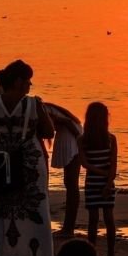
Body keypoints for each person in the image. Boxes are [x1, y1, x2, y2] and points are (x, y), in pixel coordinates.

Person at [0, 59, 55, 256]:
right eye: (27, 81)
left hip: (1, 162)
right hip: (29, 163)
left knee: (0, 211)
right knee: (37, 210)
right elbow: (49, 132)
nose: (29, 85)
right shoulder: (33, 104)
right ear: (18, 81)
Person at [78, 102, 119, 256]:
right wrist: (108, 178)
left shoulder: (87, 139)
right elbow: (111, 165)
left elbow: (86, 164)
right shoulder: (86, 140)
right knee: (104, 218)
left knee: (97, 219)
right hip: (103, 181)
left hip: (95, 182)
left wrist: (107, 180)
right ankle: (108, 255)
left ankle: (103, 255)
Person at [46, 102, 83, 237]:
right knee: (70, 182)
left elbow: (66, 122)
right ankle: (68, 227)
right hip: (70, 134)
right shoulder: (46, 107)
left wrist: (79, 138)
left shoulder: (42, 108)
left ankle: (68, 228)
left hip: (70, 135)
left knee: (71, 183)